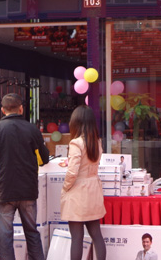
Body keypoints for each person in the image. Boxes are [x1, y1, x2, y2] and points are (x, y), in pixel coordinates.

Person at [0, 93, 50, 260]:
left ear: (3, 110)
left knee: (5, 236)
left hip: (3, 191)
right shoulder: (32, 129)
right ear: (21, 109)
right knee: (32, 232)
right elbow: (43, 158)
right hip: (28, 190)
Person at [60, 105, 107, 260]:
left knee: (77, 237)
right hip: (93, 189)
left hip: (78, 192)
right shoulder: (97, 141)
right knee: (96, 235)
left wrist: (65, 187)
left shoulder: (76, 143)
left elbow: (72, 172)